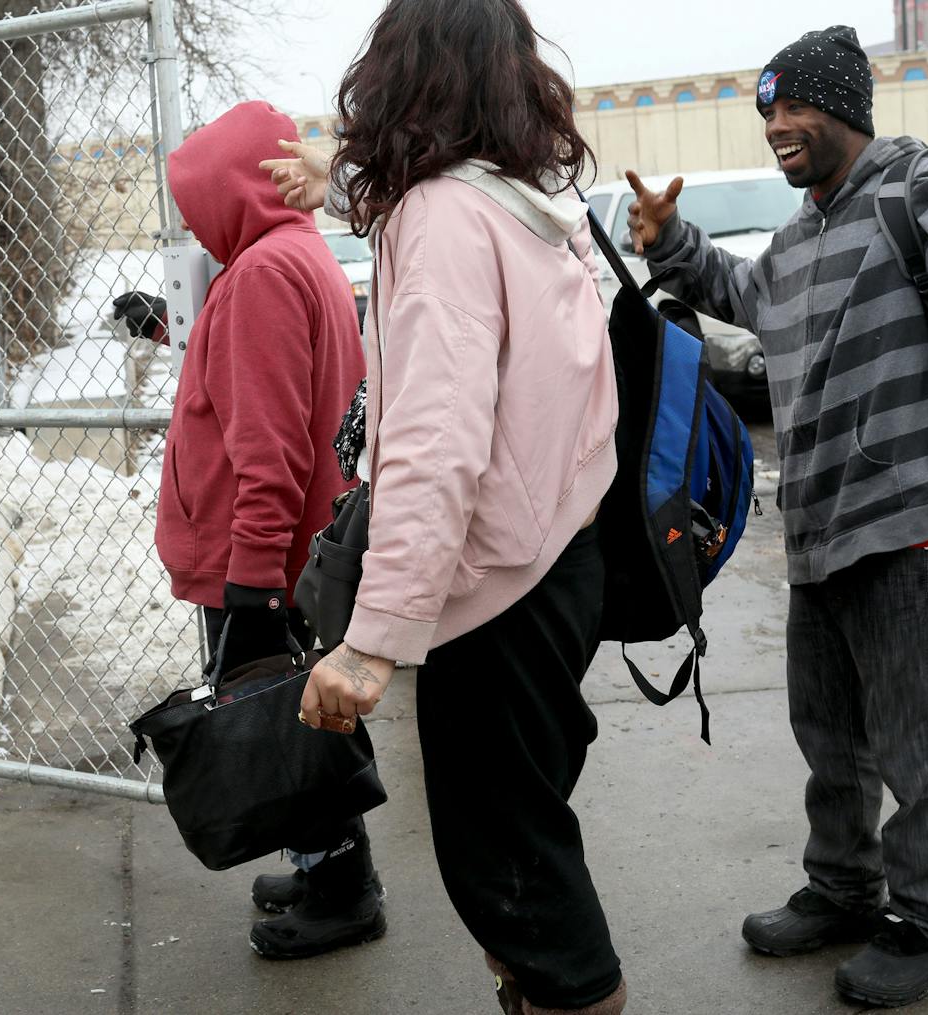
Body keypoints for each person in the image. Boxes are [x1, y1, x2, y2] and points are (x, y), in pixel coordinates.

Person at [624, 25, 928, 1009]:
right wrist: (668, 243)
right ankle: (842, 886)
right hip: (817, 527)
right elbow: (741, 294)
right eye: (764, 112)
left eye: (792, 106)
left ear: (841, 109)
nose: (776, 127)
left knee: (914, 742)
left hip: (906, 525)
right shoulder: (799, 236)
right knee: (827, 731)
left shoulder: (909, 185)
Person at [260, 1, 625, 1011]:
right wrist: (333, 178)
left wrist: (373, 640)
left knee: (512, 873)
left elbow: (434, 446)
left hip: (496, 594)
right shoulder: (531, 200)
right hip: (562, 562)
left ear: (400, 80)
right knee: (523, 833)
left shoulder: (441, 220)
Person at [116, 100, 383, 960]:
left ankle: (342, 889)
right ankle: (325, 867)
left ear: (236, 192)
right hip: (291, 551)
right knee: (297, 716)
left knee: (282, 724)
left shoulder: (265, 276)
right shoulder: (294, 254)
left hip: (261, 557)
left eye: (198, 205)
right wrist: (168, 323)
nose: (195, 224)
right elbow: (248, 377)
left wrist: (253, 581)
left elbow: (266, 449)